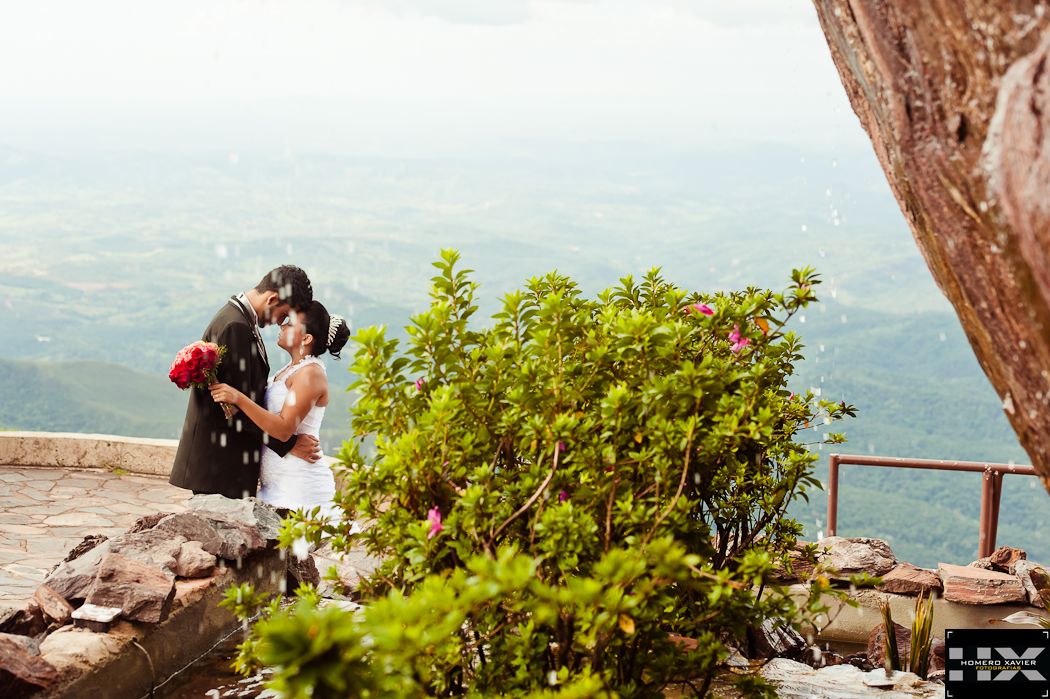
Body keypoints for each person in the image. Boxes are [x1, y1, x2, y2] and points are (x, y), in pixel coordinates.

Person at [169, 266, 322, 499]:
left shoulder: (240, 320)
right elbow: (233, 409)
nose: (280, 322)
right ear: (272, 298)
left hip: (223, 463)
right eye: (283, 315)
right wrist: (287, 444)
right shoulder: (236, 326)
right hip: (220, 464)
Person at [209, 299, 350, 516]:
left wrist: (238, 398)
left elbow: (284, 429)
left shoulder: (311, 373)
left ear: (306, 338)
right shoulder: (290, 369)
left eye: (290, 323)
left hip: (298, 483)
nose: (281, 325)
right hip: (277, 481)